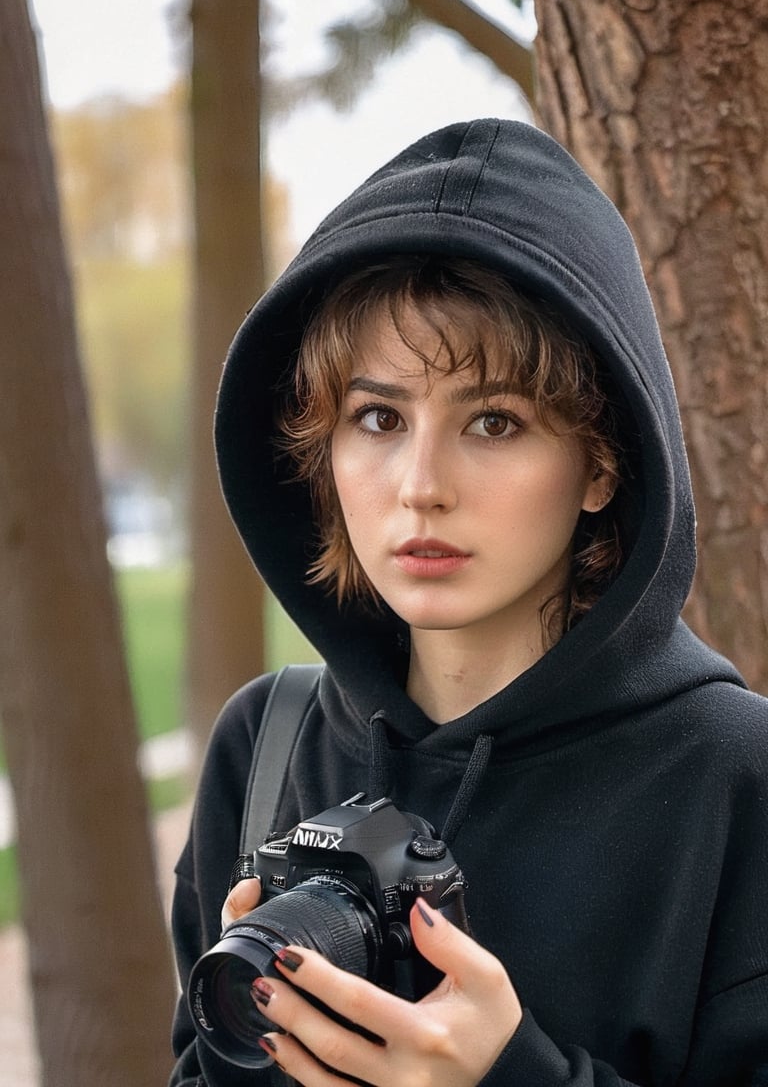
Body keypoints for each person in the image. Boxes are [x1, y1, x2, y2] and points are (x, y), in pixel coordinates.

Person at [169, 119, 768, 1086]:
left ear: (602, 465)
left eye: (494, 421)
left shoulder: (738, 785)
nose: (420, 485)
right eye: (378, 418)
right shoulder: (264, 744)